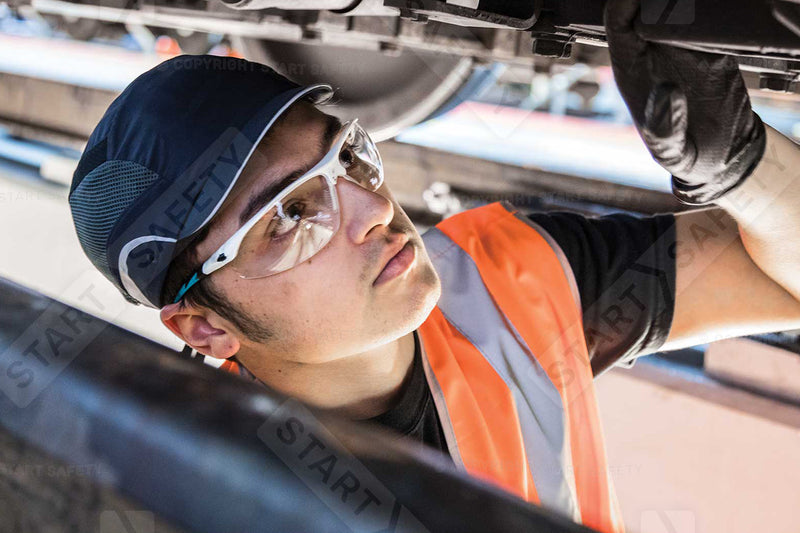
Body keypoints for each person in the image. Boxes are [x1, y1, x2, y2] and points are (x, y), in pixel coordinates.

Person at [67, 0, 800, 530]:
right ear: (204, 324)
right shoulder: (207, 493)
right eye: (289, 216)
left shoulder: (506, 275)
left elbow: (781, 277)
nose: (374, 208)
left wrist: (744, 171)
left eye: (348, 155)